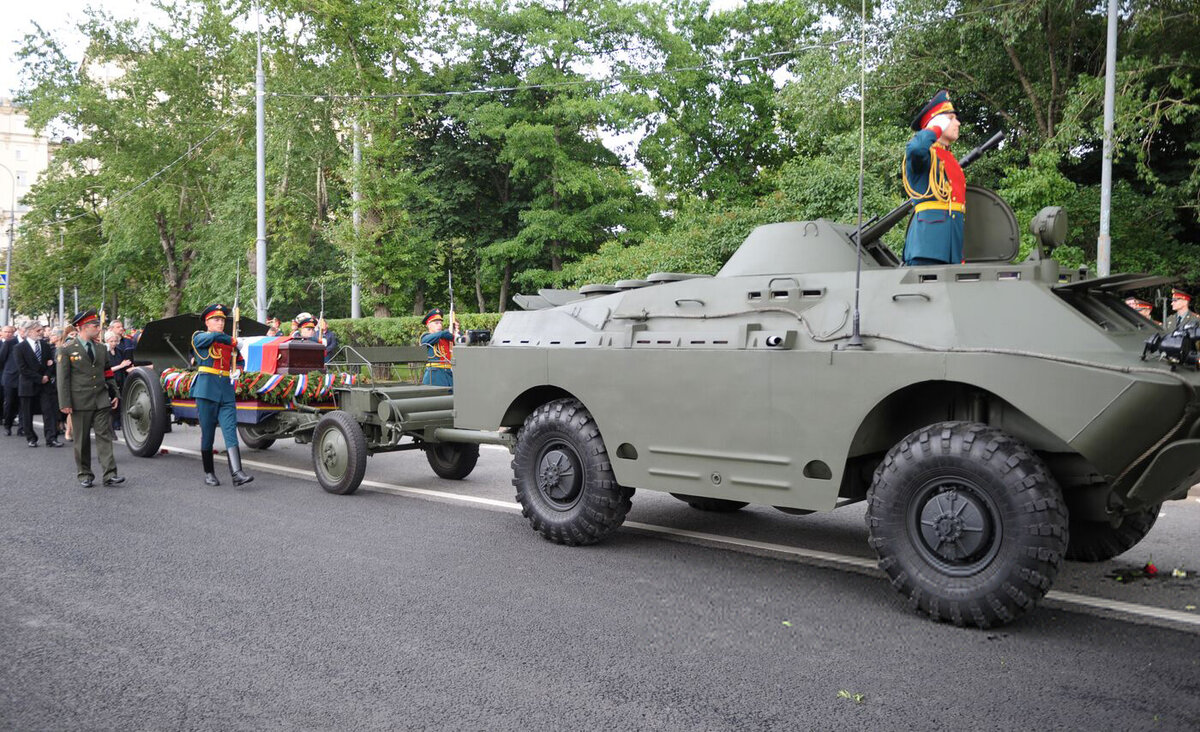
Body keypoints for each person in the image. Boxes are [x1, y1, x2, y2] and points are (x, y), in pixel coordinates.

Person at [57, 310, 124, 488]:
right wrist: (65, 403)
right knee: (82, 439)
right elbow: (63, 379)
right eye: (95, 326)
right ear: (84, 328)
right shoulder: (67, 349)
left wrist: (114, 393)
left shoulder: (101, 348)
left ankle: (110, 473)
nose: (98, 329)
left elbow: (108, 373)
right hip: (80, 400)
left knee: (104, 437)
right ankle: (84, 473)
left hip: (101, 399)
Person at [191, 303, 253, 486]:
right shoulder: (199, 337)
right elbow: (216, 337)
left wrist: (239, 370)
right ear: (207, 322)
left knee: (229, 430)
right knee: (208, 433)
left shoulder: (227, 341)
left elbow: (240, 360)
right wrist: (234, 341)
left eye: (222, 320)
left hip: (226, 391)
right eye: (216, 320)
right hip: (206, 390)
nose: (220, 323)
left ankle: (237, 473)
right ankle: (209, 472)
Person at [902, 89, 966, 266]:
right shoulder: (924, 156)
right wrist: (935, 128)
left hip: (951, 250)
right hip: (926, 249)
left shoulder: (949, 159)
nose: (958, 123)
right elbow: (916, 149)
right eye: (951, 118)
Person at [16, 320, 64, 448]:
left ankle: (51, 438)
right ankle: (31, 438)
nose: (41, 332)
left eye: (41, 330)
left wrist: (47, 376)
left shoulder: (45, 345)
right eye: (38, 330)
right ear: (29, 331)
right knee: (27, 413)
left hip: (45, 384)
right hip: (28, 384)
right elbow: (23, 368)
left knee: (49, 411)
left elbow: (50, 363)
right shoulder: (19, 348)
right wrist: (39, 378)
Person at [420, 308, 458, 389]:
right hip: (435, 375)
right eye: (436, 323)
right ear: (428, 325)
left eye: (440, 323)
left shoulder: (445, 338)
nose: (440, 325)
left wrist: (455, 334)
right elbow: (424, 341)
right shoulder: (426, 336)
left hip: (448, 374)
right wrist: (444, 333)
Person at [104, 331, 134, 431]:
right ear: (107, 341)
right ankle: (112, 423)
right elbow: (107, 369)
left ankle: (120, 422)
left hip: (120, 378)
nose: (113, 343)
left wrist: (127, 365)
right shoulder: (104, 352)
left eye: (115, 341)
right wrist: (121, 366)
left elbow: (124, 363)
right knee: (112, 401)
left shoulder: (119, 351)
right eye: (111, 341)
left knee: (121, 400)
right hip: (110, 380)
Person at [1, 323, 23, 435]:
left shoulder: (28, 343)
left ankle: (22, 428)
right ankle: (7, 425)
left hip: (24, 378)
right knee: (10, 403)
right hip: (10, 377)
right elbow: (2, 359)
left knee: (23, 404)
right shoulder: (10, 343)